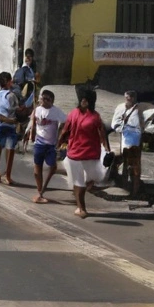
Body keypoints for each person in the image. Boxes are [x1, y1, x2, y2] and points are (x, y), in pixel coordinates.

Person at [59, 91, 111, 219]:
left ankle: (78, 200)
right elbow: (65, 130)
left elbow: (102, 133)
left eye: (86, 99)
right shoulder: (73, 113)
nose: (84, 101)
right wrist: (57, 144)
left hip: (91, 154)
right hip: (74, 154)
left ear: (91, 101)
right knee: (79, 182)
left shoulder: (95, 116)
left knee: (89, 181)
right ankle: (81, 208)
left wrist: (106, 148)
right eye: (82, 98)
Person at [27, 89, 66, 204]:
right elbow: (33, 121)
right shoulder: (37, 110)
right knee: (37, 168)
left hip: (50, 145)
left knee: (52, 167)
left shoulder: (56, 111)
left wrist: (60, 135)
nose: (44, 101)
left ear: (52, 101)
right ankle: (40, 191)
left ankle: (42, 189)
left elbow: (66, 121)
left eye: (47, 99)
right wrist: (30, 134)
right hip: (39, 143)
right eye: (43, 98)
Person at [111, 90, 145, 198]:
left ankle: (135, 190)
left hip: (134, 139)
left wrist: (130, 124)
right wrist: (121, 125)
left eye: (130, 98)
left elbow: (142, 125)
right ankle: (125, 187)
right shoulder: (120, 107)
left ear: (134, 98)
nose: (128, 100)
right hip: (124, 137)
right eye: (127, 98)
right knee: (124, 163)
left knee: (134, 165)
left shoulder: (139, 109)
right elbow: (114, 123)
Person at [0, 72, 20, 186]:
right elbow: (17, 110)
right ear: (8, 82)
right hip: (10, 125)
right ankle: (7, 175)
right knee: (10, 149)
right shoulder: (11, 95)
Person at [11, 48, 39, 135]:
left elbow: (37, 80)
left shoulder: (33, 69)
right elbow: (17, 80)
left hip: (30, 93)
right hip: (23, 93)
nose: (28, 59)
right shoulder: (22, 69)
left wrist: (33, 81)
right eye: (27, 57)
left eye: (30, 57)